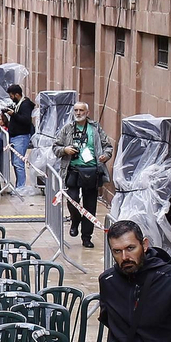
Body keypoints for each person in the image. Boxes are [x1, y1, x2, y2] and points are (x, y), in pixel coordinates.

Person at [56, 101, 114, 247]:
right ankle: (75, 221)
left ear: (87, 113)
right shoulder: (67, 128)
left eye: (81, 110)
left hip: (91, 171)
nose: (78, 113)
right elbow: (55, 146)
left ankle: (86, 237)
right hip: (72, 171)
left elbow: (108, 147)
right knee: (72, 200)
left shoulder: (95, 129)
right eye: (75, 110)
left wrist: (105, 156)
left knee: (90, 205)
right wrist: (65, 150)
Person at [5, 84, 36, 190]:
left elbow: (26, 120)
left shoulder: (25, 104)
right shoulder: (18, 103)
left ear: (17, 95)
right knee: (15, 162)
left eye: (11, 96)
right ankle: (18, 185)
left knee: (18, 163)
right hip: (15, 136)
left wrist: (13, 114)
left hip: (21, 137)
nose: (11, 98)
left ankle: (21, 187)